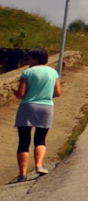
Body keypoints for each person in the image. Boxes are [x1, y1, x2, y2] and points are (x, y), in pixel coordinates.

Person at [14, 48, 60, 181]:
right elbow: (57, 93)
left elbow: (21, 94)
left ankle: (22, 173)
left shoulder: (27, 72)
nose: (28, 61)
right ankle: (39, 165)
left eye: (29, 58)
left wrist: (14, 92)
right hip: (46, 107)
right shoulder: (53, 72)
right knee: (40, 139)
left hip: (27, 107)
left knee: (24, 140)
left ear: (35, 59)